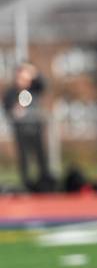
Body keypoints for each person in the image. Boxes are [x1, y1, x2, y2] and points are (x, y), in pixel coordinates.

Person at [2, 63, 54, 191]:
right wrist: (15, 111)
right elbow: (7, 109)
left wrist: (34, 72)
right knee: (24, 158)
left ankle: (45, 183)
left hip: (36, 128)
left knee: (41, 157)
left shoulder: (34, 88)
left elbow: (44, 84)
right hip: (21, 129)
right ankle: (27, 185)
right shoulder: (11, 93)